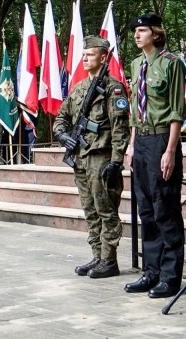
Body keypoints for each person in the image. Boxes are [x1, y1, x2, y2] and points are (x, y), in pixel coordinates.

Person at [53, 36, 130, 279]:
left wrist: (116, 161)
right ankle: (97, 255)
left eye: (90, 55)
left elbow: (120, 128)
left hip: (101, 158)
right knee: (90, 210)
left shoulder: (113, 88)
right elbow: (60, 118)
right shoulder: (78, 88)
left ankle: (109, 260)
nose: (85, 58)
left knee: (105, 209)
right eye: (83, 55)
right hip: (80, 159)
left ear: (103, 57)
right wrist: (64, 137)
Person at [124, 13, 185, 298]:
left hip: (162, 139)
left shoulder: (172, 64)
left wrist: (171, 150)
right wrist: (132, 145)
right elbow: (136, 111)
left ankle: (171, 276)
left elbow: (176, 111)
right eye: (135, 30)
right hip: (142, 141)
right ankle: (151, 272)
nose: (137, 35)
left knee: (165, 208)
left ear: (156, 34)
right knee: (146, 209)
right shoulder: (136, 65)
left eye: (142, 30)